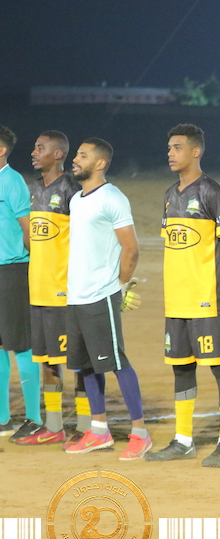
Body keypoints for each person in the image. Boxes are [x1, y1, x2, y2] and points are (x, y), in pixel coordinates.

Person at [146, 124, 220, 467]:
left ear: (195, 151)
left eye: (177, 147)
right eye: (169, 148)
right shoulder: (169, 194)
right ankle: (183, 440)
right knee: (182, 369)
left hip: (206, 299)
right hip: (177, 300)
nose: (170, 153)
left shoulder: (212, 192)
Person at [63, 138, 150, 459]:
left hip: (101, 294)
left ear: (99, 163)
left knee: (117, 362)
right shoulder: (76, 199)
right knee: (86, 366)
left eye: (83, 155)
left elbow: (131, 248)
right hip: (76, 296)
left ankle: (140, 433)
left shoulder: (112, 197)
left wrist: (121, 286)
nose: (76, 159)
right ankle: (99, 431)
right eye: (77, 154)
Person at [13, 131, 89, 446]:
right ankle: (54, 425)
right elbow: (31, 237)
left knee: (78, 361)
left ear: (58, 154)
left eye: (40, 148)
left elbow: (86, 238)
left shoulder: (72, 190)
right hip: (39, 289)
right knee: (47, 360)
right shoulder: (34, 190)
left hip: (64, 291)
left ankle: (86, 425)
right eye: (34, 147)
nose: (34, 152)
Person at [0, 125, 42, 440]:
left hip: (12, 271)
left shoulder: (12, 181)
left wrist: (32, 266)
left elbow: (28, 230)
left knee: (22, 344)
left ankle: (34, 417)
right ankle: (2, 418)